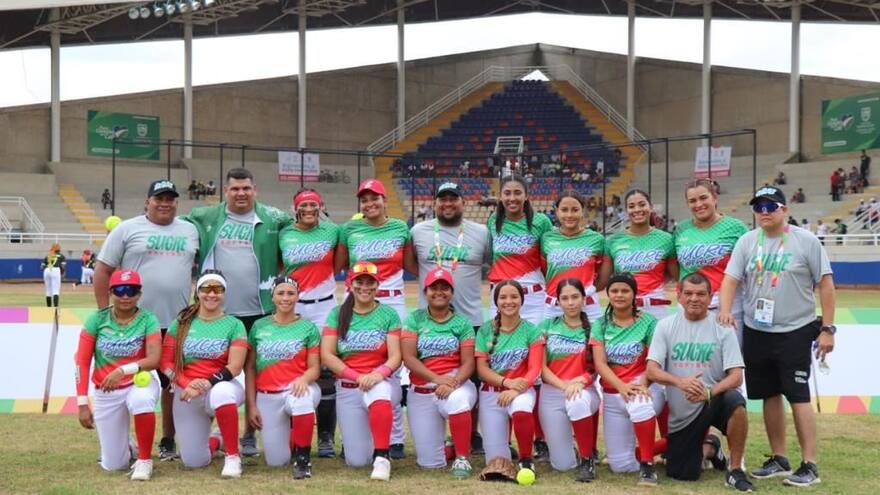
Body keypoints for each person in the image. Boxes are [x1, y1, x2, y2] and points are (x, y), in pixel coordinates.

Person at [718, 185, 836, 487]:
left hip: (796, 329)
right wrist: (725, 311)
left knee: (797, 395)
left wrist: (827, 329)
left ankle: (810, 464)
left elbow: (825, 285)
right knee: (769, 395)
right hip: (759, 330)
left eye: (772, 207)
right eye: (759, 207)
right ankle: (779, 457)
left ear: (786, 210)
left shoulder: (806, 241)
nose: (765, 213)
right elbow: (730, 279)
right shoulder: (747, 241)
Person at [184, 168, 291, 456]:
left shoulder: (273, 217)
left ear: (255, 189)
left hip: (260, 310)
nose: (241, 193)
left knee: (254, 372)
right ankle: (206, 430)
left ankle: (247, 434)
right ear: (225, 191)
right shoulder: (206, 216)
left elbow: (298, 233)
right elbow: (177, 225)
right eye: (235, 189)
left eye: (246, 188)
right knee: (209, 367)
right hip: (219, 313)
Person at [95, 179, 199, 461]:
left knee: (170, 384)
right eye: (159, 198)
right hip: (131, 322)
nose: (164, 203)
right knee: (121, 380)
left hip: (176, 322)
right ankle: (119, 441)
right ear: (147, 202)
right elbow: (103, 271)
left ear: (177, 203)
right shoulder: (127, 229)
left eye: (170, 199)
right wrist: (106, 314)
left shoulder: (190, 230)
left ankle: (167, 440)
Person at [646, 272, 753, 492]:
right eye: (689, 293)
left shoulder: (723, 327)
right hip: (683, 415)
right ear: (679, 295)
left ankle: (735, 469)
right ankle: (711, 448)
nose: (695, 299)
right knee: (682, 474)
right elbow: (652, 370)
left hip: (712, 399)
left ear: (710, 296)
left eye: (701, 294)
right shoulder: (665, 326)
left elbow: (736, 376)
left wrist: (708, 392)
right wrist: (680, 382)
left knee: (736, 402)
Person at [407, 181, 490, 455]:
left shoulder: (481, 232)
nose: (448, 204)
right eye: (442, 199)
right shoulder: (419, 231)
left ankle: (470, 435)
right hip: (430, 318)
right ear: (435, 204)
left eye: (453, 199)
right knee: (433, 370)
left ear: (462, 203)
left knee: (472, 380)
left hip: (471, 317)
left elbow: (489, 264)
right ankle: (436, 432)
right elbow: (411, 265)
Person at [337, 179, 415, 458]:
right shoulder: (349, 229)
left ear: (384, 200)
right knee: (355, 353)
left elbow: (409, 264)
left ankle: (394, 437)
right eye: (365, 199)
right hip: (357, 294)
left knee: (391, 365)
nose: (370, 204)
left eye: (375, 198)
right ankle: (353, 432)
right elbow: (340, 264)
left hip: (392, 297)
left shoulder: (400, 227)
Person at [74, 269, 161, 481]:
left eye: (131, 290)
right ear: (111, 292)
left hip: (138, 382)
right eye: (119, 290)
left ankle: (144, 461)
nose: (125, 296)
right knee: (114, 465)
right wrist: (83, 403)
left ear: (139, 294)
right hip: (106, 389)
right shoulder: (96, 319)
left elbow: (154, 359)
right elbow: (82, 362)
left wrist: (123, 370)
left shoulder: (148, 319)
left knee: (141, 400)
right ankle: (128, 446)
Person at [160, 271, 248, 478]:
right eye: (206, 289)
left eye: (217, 289)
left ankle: (233, 457)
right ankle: (218, 439)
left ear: (224, 293)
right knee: (193, 461)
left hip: (221, 386)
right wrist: (186, 383)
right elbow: (165, 362)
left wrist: (206, 384)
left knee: (222, 392)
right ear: (197, 292)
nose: (212, 294)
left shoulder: (234, 324)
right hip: (187, 391)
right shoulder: (181, 323)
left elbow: (235, 367)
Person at [320, 261, 402, 481]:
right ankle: (372, 450)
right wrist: (357, 377)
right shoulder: (337, 314)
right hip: (349, 386)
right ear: (350, 283)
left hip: (381, 381)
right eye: (360, 282)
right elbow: (327, 354)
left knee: (380, 391)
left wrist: (377, 375)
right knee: (356, 461)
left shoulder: (388, 313)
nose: (365, 287)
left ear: (377, 285)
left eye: (370, 282)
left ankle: (383, 456)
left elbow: (395, 356)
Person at [279, 188, 340, 458]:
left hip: (325, 305)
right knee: (295, 367)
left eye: (313, 204)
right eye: (303, 205)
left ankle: (326, 435)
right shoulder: (285, 234)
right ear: (295, 208)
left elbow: (339, 263)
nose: (308, 209)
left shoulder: (333, 231)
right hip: (295, 305)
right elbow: (281, 268)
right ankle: (296, 434)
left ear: (321, 206)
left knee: (326, 370)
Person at [401, 268, 477, 478]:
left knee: (458, 401)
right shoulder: (414, 319)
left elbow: (469, 362)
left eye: (444, 288)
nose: (439, 292)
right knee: (430, 464)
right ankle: (449, 449)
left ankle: (462, 457)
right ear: (425, 291)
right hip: (422, 390)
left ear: (451, 292)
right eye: (434, 288)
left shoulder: (462, 322)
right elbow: (409, 358)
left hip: (456, 384)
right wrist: (435, 379)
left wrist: (452, 382)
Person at [590, 272, 664, 486]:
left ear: (634, 294)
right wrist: (621, 386)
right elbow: (600, 363)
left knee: (640, 406)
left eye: (625, 290)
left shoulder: (649, 322)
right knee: (620, 466)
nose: (619, 295)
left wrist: (641, 385)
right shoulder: (600, 324)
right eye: (614, 291)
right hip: (614, 394)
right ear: (608, 294)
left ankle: (648, 467)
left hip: (644, 389)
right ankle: (667, 445)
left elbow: (654, 360)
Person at [245, 276, 321, 479]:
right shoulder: (259, 327)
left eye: (290, 293)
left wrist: (304, 379)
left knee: (302, 398)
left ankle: (303, 459)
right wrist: (252, 405)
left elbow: (315, 368)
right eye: (280, 293)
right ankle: (292, 439)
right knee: (276, 462)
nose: (285, 298)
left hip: (297, 388)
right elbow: (250, 368)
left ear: (297, 296)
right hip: (268, 395)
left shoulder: (308, 328)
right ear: (272, 296)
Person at [475, 280, 545, 475]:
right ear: (496, 302)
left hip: (522, 390)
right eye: (503, 297)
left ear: (521, 300)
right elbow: (482, 369)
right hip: (492, 394)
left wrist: (515, 389)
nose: (509, 301)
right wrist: (506, 383)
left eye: (514, 296)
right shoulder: (485, 330)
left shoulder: (532, 330)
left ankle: (525, 459)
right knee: (496, 462)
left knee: (522, 407)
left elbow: (534, 368)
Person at [538, 278, 600, 482]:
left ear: (584, 299)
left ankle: (587, 458)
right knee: (563, 465)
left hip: (584, 389)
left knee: (577, 402)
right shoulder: (546, 326)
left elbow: (596, 367)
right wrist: (565, 385)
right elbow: (542, 368)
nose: (570, 302)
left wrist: (580, 382)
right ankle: (573, 450)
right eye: (565, 298)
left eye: (575, 297)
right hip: (553, 391)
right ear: (558, 301)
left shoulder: (595, 327)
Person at [675, 178, 749, 342]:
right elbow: (675, 268)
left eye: (703, 198)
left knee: (728, 360)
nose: (698, 204)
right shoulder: (681, 229)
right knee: (690, 359)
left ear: (714, 197)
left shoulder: (736, 227)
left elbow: (748, 268)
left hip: (727, 307)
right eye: (692, 201)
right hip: (688, 306)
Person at [487, 174, 554, 325]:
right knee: (498, 346)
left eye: (517, 193)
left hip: (533, 299)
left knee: (536, 346)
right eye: (507, 193)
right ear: (500, 196)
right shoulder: (493, 221)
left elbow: (549, 259)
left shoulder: (541, 222)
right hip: (500, 297)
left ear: (526, 195)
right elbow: (491, 256)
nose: (512, 198)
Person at [602, 190, 678, 320]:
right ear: (626, 211)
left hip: (656, 310)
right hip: (623, 309)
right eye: (631, 206)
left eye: (642, 204)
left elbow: (676, 275)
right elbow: (604, 280)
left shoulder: (666, 239)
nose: (637, 209)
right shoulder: (612, 241)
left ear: (651, 207)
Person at [541, 191, 605, 322]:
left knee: (592, 342)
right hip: (554, 308)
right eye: (564, 210)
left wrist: (586, 292)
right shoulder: (546, 238)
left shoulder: (596, 239)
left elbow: (602, 274)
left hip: (588, 307)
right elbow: (544, 270)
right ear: (557, 211)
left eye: (575, 210)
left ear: (582, 211)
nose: (569, 215)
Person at [41, 243, 65, 307]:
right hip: (56, 270)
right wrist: (62, 273)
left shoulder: (48, 256)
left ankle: (48, 308)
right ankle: (55, 309)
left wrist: (49, 266)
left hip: (47, 270)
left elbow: (42, 267)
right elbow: (63, 267)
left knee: (48, 290)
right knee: (55, 290)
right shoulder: (61, 256)